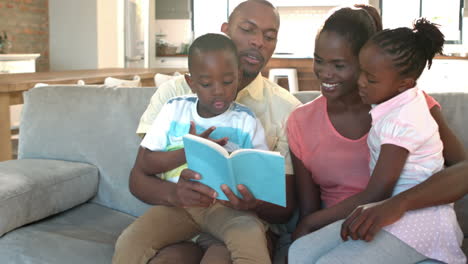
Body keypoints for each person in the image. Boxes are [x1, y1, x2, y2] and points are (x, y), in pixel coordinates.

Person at [114, 1, 302, 263]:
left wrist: (252, 202)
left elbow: (284, 206)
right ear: (226, 30)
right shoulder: (174, 99)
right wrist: (174, 190)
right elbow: (141, 175)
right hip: (180, 214)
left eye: (269, 36)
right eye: (248, 29)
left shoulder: (281, 111)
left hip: (235, 219)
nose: (258, 41)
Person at [285, 5, 467, 263]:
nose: (325, 73)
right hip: (359, 221)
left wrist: (397, 205)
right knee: (298, 253)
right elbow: (309, 211)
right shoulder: (301, 121)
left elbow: (463, 170)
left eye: (339, 64)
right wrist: (309, 225)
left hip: (409, 223)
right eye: (319, 60)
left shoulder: (409, 107)